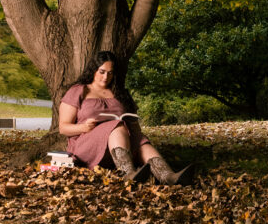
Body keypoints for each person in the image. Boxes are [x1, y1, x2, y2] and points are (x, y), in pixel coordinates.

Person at [59, 51, 194, 185]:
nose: (106, 77)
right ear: (93, 70)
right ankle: (127, 173)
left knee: (140, 140)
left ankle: (169, 177)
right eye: (102, 71)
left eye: (110, 73)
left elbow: (132, 123)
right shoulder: (79, 90)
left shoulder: (119, 93)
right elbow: (63, 128)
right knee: (117, 126)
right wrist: (84, 127)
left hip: (120, 143)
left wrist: (134, 126)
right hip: (87, 145)